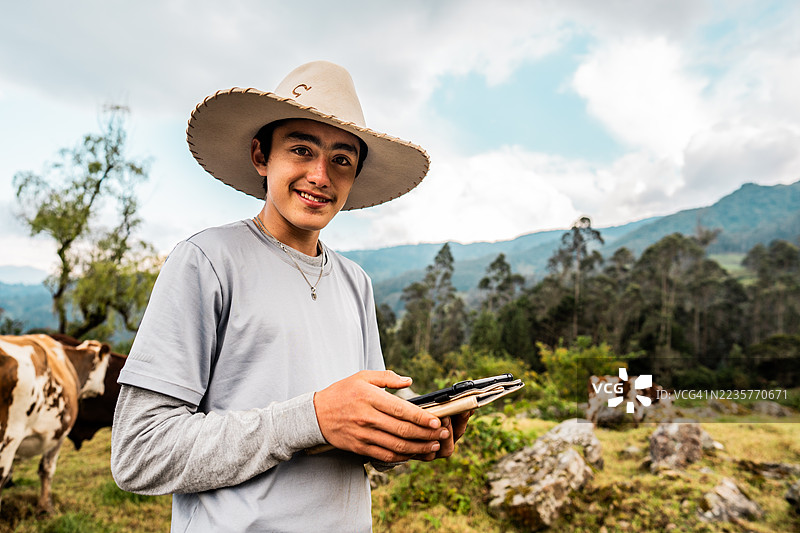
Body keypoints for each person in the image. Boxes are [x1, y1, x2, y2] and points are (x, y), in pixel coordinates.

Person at [110, 61, 472, 532]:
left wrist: (413, 430)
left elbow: (357, 428)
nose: (320, 175)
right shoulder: (208, 261)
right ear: (262, 156)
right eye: (302, 149)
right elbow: (140, 452)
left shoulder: (355, 282)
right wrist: (312, 418)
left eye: (342, 159)